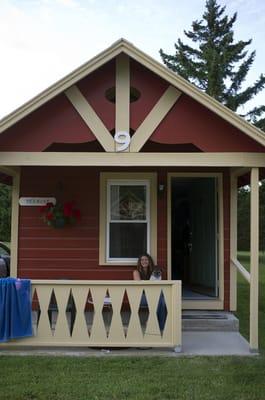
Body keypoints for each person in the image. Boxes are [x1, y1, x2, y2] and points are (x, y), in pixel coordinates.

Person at [133, 253, 166, 331]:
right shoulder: (136, 272)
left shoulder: (155, 271)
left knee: (162, 301)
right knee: (160, 299)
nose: (144, 261)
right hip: (141, 297)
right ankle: (160, 327)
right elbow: (140, 286)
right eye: (142, 260)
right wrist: (151, 284)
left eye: (146, 260)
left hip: (153, 295)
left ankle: (152, 321)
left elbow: (157, 285)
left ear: (149, 261)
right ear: (139, 262)